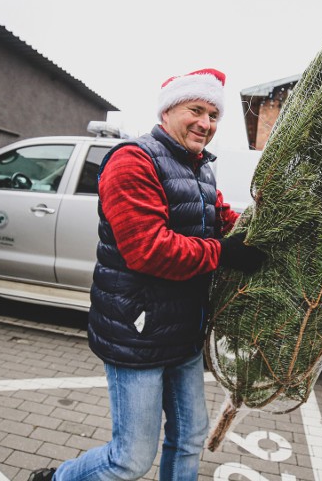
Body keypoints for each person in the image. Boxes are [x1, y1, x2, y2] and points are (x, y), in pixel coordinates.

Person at [29, 68, 266, 481]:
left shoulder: (199, 168)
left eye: (214, 115)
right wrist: (223, 254)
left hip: (182, 331)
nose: (205, 124)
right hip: (137, 331)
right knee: (130, 460)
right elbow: (147, 249)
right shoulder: (132, 161)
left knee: (190, 437)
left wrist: (263, 227)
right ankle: (60, 478)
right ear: (169, 109)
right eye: (197, 110)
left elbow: (219, 217)